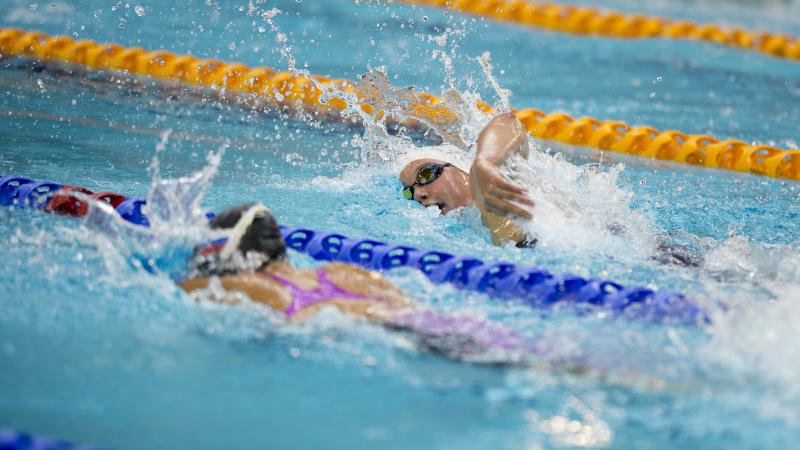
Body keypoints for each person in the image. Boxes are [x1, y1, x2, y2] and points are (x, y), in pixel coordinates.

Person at [179, 203, 547, 364]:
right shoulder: (340, 271)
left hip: (404, 339)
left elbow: (180, 289)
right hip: (448, 325)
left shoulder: (253, 286)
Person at [399, 112, 536, 247]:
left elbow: (509, 122)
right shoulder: (470, 234)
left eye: (425, 174)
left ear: (458, 169)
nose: (418, 195)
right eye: (409, 192)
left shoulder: (506, 180)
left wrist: (486, 161)